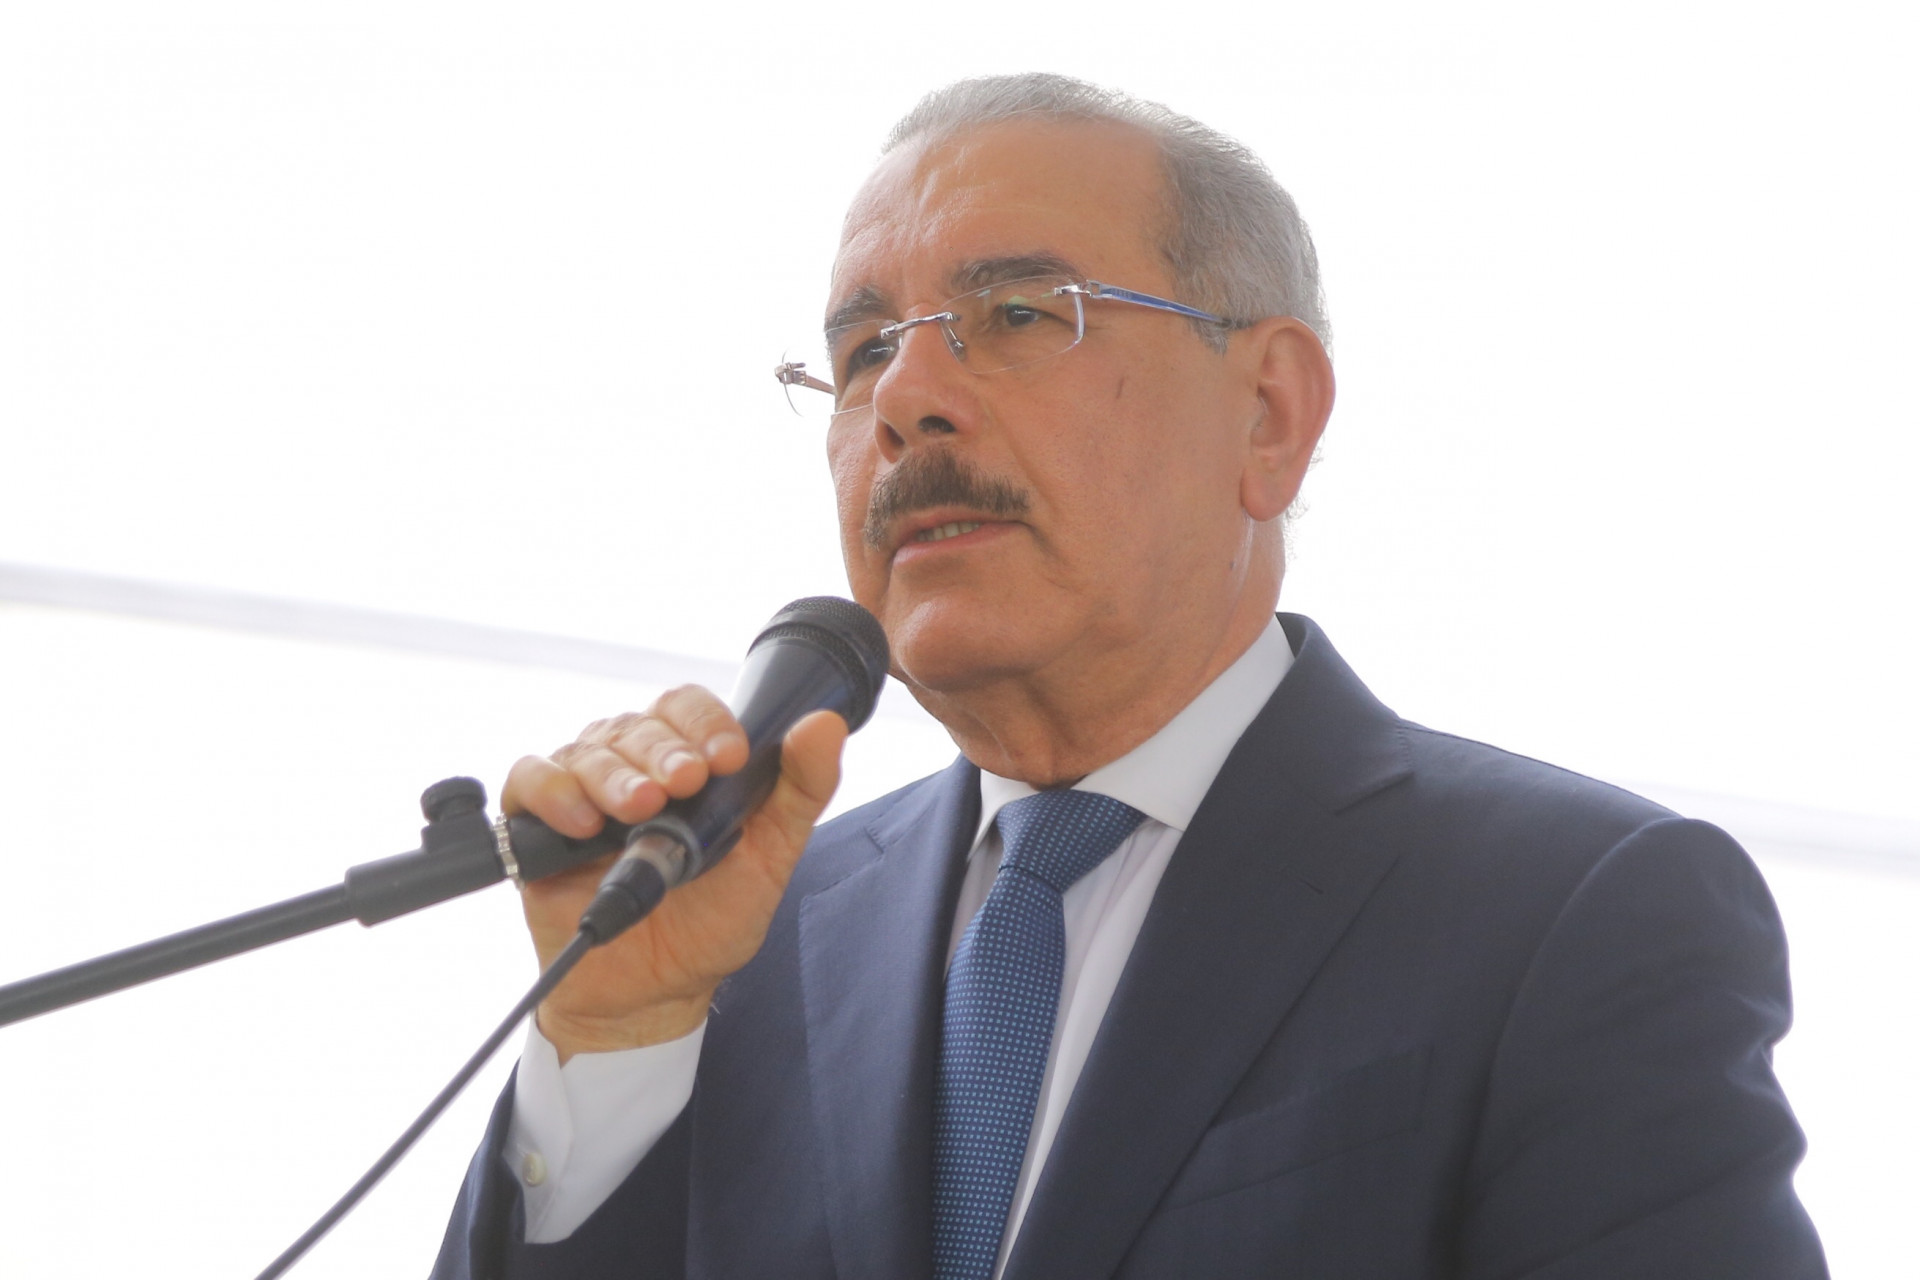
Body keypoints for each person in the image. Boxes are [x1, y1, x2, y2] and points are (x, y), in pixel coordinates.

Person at [433, 74, 1825, 1278]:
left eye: (1018, 315)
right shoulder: (729, 944)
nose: (905, 399)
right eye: (861, 353)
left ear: (1269, 416)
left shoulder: (1570, 916)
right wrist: (614, 1043)